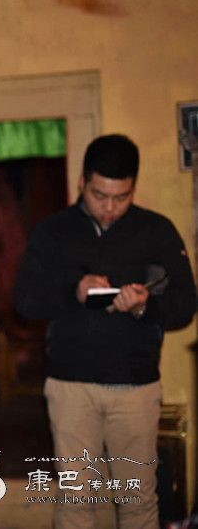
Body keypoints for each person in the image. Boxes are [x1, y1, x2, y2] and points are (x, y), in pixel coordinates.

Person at [13, 134, 196, 529]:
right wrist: (74, 290)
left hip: (135, 388)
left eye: (121, 197)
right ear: (82, 182)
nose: (110, 208)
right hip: (70, 387)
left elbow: (185, 307)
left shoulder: (156, 231)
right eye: (100, 195)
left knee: (137, 500)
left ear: (133, 188)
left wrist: (144, 305)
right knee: (75, 500)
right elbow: (25, 300)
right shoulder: (53, 231)